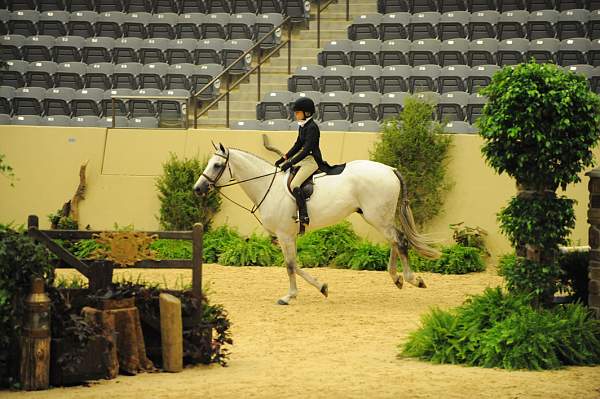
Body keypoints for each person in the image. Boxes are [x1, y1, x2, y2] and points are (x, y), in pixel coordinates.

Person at [275, 97, 326, 226]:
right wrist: (284, 158)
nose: (295, 115)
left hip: (312, 160)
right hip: (304, 159)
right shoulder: (303, 126)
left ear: (307, 113)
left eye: (298, 112)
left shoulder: (312, 128)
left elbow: (306, 150)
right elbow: (297, 145)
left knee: (294, 185)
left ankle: (304, 215)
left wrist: (290, 163)